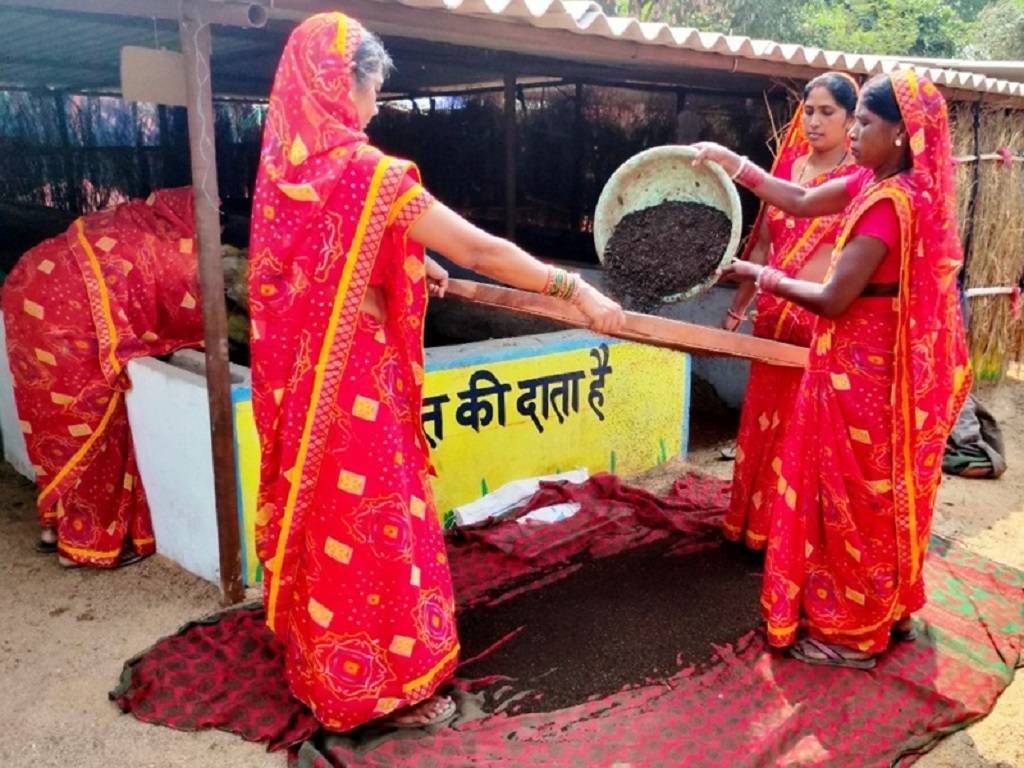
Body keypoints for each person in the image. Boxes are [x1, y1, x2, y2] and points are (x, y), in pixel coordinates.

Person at [248, 13, 624, 732]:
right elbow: (482, 250)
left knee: (329, 521)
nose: (374, 106)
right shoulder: (366, 174)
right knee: (372, 526)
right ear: (340, 83)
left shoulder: (283, 176)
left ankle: (324, 665)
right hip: (355, 389)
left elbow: (329, 272)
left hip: (301, 397)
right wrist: (576, 291)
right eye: (372, 88)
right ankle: (377, 694)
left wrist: (415, 267)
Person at [694, 70, 970, 667]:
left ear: (900, 134)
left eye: (864, 124)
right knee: (875, 496)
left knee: (853, 501)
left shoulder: (889, 208)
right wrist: (732, 162)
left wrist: (759, 276)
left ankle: (852, 633)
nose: (852, 135)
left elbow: (833, 299)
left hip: (863, 379)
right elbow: (793, 198)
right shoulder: (882, 184)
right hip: (870, 373)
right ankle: (887, 610)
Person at [1, 188, 205, 567]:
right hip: (70, 327)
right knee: (98, 430)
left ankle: (52, 526)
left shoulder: (123, 222)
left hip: (25, 304)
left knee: (56, 429)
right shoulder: (171, 250)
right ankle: (86, 545)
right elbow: (193, 319)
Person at [722, 73, 861, 551]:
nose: (816, 121)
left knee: (799, 436)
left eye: (828, 113)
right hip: (771, 318)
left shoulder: (855, 183)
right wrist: (739, 310)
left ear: (851, 120)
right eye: (809, 110)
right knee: (759, 424)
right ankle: (750, 527)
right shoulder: (788, 166)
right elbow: (762, 242)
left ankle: (789, 539)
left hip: (816, 322)